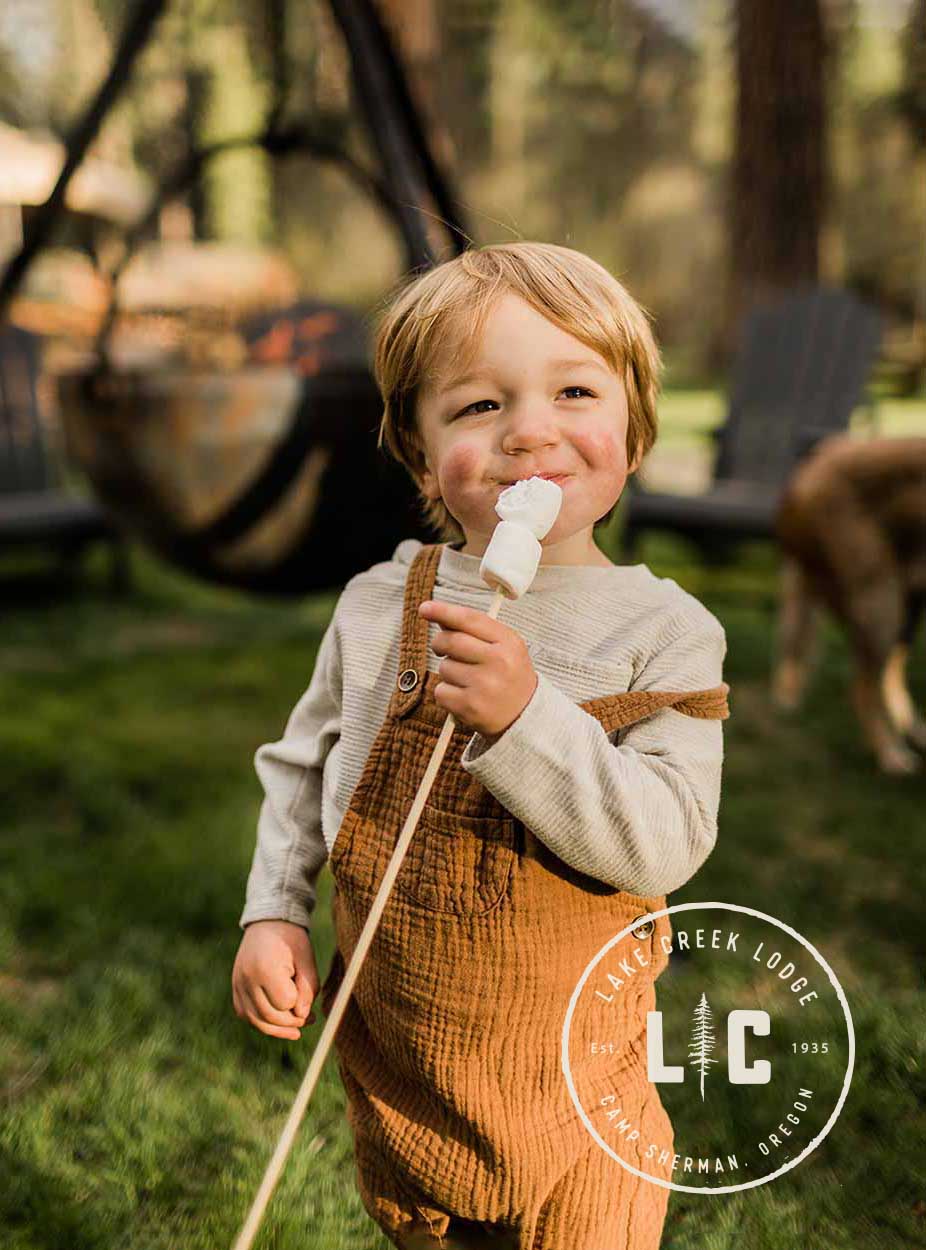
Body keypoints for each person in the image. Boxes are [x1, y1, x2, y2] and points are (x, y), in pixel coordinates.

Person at [232, 241, 730, 1249]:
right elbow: (301, 766)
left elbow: (665, 841)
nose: (529, 433)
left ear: (631, 433)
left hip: (580, 1091)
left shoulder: (662, 633)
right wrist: (272, 911)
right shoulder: (379, 604)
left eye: (574, 390)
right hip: (412, 1073)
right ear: (419, 456)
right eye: (477, 406)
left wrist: (524, 716)